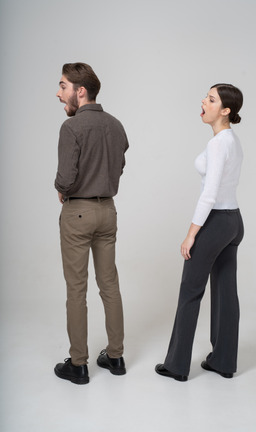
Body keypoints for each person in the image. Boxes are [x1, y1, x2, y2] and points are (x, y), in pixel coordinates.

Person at [155, 83, 244, 381]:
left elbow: (210, 193)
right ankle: (223, 361)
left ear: (226, 110)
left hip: (216, 221)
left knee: (190, 291)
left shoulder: (218, 143)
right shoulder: (233, 140)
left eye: (211, 99)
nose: (203, 102)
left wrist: (192, 233)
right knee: (226, 293)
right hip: (234, 221)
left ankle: (177, 366)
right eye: (206, 97)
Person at [54, 63, 129, 384]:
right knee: (109, 284)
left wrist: (61, 188)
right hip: (107, 211)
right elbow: (120, 164)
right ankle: (115, 357)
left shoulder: (71, 128)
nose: (59, 94)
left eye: (63, 86)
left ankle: (79, 363)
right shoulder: (115, 125)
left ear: (79, 91)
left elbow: (66, 177)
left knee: (77, 289)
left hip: (78, 212)